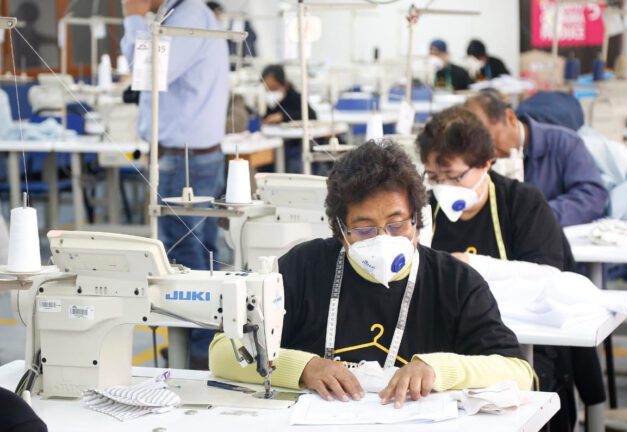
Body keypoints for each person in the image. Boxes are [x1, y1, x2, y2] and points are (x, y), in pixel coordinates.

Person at [209, 140, 534, 406]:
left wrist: (438, 368)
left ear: (417, 220)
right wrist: (303, 367)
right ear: (340, 231)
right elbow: (222, 351)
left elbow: (519, 372)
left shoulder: (455, 283)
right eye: (364, 230)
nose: (383, 239)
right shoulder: (304, 267)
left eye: (397, 224)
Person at [416, 107, 605, 431]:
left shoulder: (522, 203)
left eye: (453, 176)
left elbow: (547, 280)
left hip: (521, 347)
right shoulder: (424, 210)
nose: (443, 186)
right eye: (434, 177)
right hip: (449, 343)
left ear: (486, 163)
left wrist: (473, 267)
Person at [120, 0, 229, 368]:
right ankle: (207, 342)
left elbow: (145, 72)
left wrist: (132, 16)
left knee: (183, 255)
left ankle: (198, 350)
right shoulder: (191, 15)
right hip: (196, 154)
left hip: (184, 159)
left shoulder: (188, 17)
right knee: (203, 250)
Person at [464, 91, 608, 227]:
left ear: (511, 118)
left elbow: (592, 198)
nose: (490, 154)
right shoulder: (476, 160)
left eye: (492, 141)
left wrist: (537, 216)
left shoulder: (565, 143)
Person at [261, 64, 317, 173]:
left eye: (273, 87)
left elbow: (312, 115)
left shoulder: (295, 97)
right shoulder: (268, 102)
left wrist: (282, 116)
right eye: (268, 88)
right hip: (274, 143)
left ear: (281, 82)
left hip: (294, 144)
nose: (270, 91)